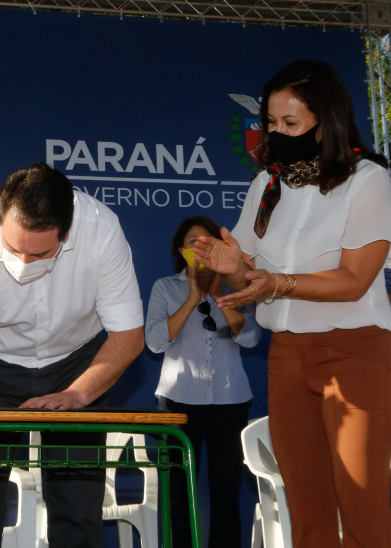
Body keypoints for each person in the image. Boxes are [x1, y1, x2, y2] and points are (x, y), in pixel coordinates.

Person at [193, 59, 391, 547]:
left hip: (354, 350)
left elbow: (355, 280)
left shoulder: (366, 179)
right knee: (306, 506)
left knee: (361, 505)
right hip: (287, 354)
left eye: (290, 123)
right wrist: (233, 265)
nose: (277, 132)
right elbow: (255, 269)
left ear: (325, 120)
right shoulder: (266, 185)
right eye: (271, 123)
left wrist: (276, 284)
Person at [0, 162, 145, 548]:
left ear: (67, 231)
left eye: (41, 254)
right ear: (0, 217)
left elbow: (128, 335)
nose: (23, 264)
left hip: (79, 366)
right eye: (12, 248)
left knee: (78, 513)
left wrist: (78, 395)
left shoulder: (101, 229)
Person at [145, 215, 261, 548]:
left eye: (206, 241)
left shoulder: (239, 288)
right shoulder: (165, 287)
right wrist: (193, 298)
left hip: (230, 401)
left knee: (226, 493)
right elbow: (154, 341)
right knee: (178, 495)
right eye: (192, 242)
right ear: (181, 251)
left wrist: (219, 292)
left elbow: (251, 337)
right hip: (177, 401)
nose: (200, 248)